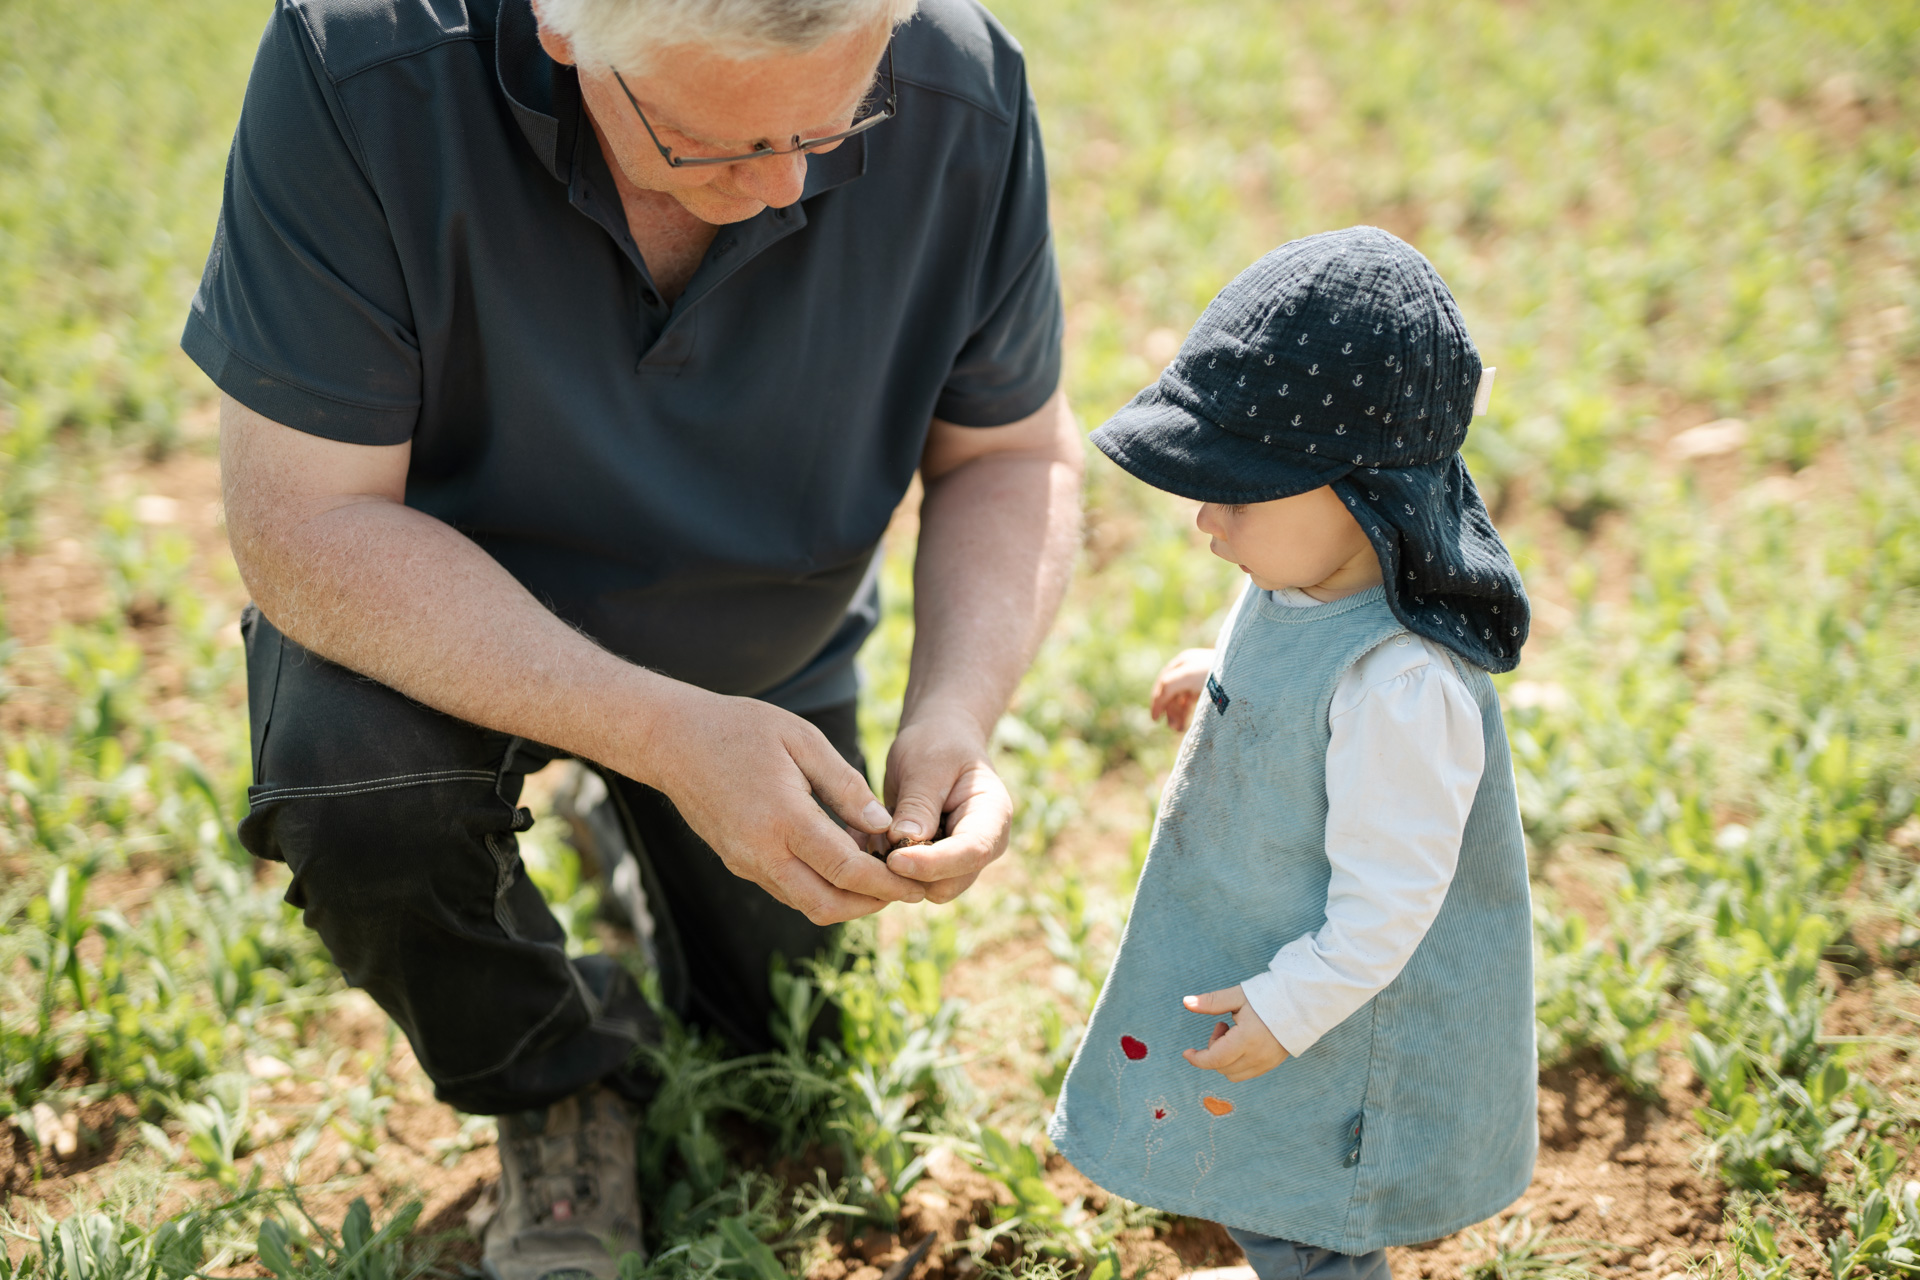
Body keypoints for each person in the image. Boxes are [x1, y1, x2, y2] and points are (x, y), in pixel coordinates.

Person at [185, 0, 1081, 1274]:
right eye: (714, 147)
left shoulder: (964, 81)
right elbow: (304, 524)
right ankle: (553, 1078)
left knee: (779, 1045)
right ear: (564, 28)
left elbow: (1010, 454)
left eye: (832, 127)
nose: (782, 188)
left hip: (763, 654)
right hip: (440, 634)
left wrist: (954, 711)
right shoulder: (356, 66)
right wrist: (658, 731)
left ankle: (628, 821)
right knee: (366, 794)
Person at [1048, 226, 1536, 1280]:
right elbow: (1272, 647)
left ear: (1364, 495)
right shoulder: (1304, 574)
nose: (1203, 518)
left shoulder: (1401, 690)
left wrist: (1291, 1003)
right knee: (1260, 1174)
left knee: (1311, 1206)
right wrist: (1213, 672)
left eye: (1234, 488)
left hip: (1334, 1010)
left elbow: (1394, 897)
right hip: (1262, 942)